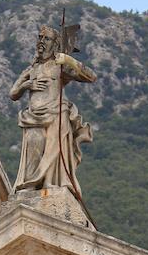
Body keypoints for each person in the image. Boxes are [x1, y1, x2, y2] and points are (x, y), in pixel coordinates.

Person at [10, 26, 96, 199]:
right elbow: (13, 94)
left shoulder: (60, 66)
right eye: (40, 37)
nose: (41, 41)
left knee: (53, 149)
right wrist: (26, 85)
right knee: (35, 144)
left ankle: (51, 183)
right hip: (33, 116)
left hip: (57, 113)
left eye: (46, 38)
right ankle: (30, 184)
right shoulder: (31, 69)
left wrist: (69, 60)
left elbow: (90, 76)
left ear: (55, 44)